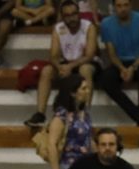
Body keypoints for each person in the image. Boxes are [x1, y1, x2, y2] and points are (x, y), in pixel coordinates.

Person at [24, 0, 98, 129]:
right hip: (66, 62)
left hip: (86, 62)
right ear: (63, 17)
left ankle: (84, 113)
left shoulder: (89, 27)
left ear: (79, 13)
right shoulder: (58, 28)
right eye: (68, 15)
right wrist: (61, 67)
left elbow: (89, 55)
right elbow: (53, 55)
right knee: (47, 70)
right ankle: (40, 114)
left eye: (74, 14)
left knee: (85, 69)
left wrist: (70, 67)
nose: (72, 18)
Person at [98, 0, 139, 126]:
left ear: (131, 5)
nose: (122, 9)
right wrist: (122, 68)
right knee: (106, 79)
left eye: (125, 5)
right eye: (119, 6)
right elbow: (111, 54)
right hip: (119, 62)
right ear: (114, 7)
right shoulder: (106, 24)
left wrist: (132, 68)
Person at [44, 73, 93, 169]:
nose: (88, 91)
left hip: (87, 165)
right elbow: (51, 144)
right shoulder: (61, 115)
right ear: (73, 93)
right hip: (69, 166)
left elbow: (89, 140)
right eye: (83, 88)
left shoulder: (85, 114)